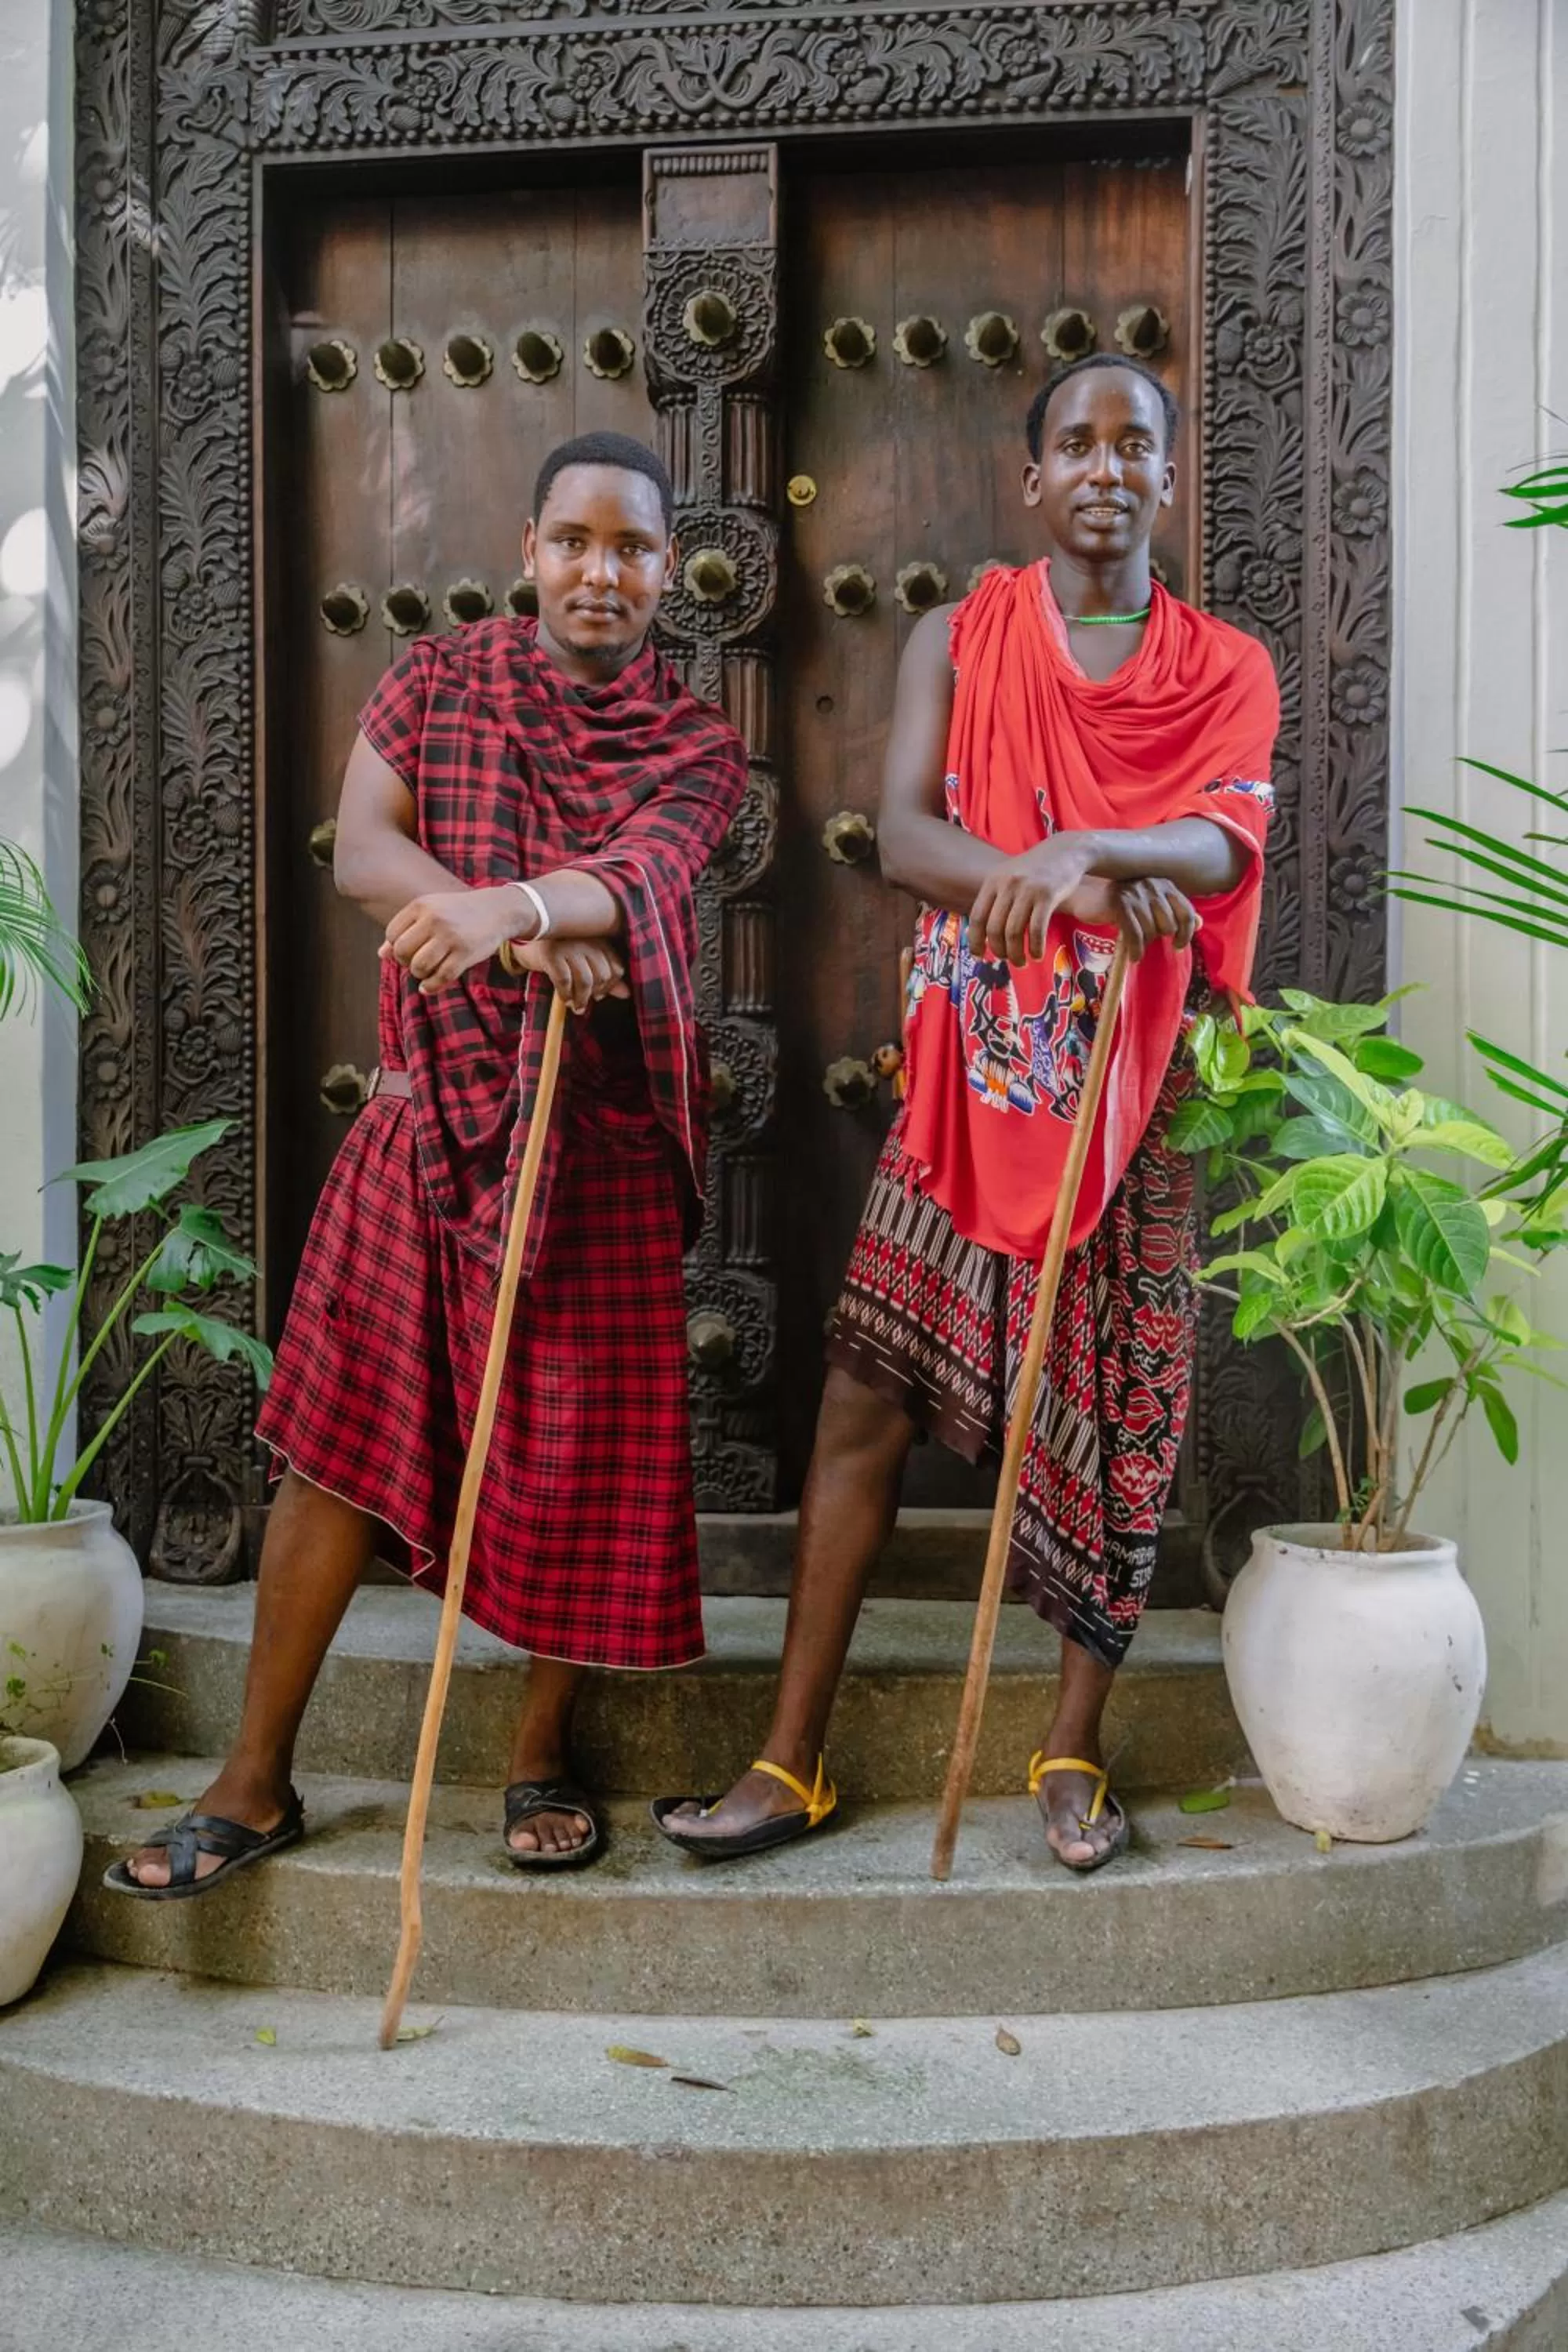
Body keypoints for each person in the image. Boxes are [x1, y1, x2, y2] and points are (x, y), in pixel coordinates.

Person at [655, 356, 1279, 1872]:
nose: (1106, 468)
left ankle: (1069, 1754)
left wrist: (1090, 845)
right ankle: (790, 1756)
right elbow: (909, 824)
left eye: (1137, 444)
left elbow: (1223, 839)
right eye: (1077, 443)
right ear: (1033, 479)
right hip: (976, 1073)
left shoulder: (1224, 666)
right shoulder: (961, 632)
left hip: (1131, 1088)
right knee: (866, 1396)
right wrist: (1044, 878)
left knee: (1115, 1417)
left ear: (1170, 480)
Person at [109, 431, 746, 1895]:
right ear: (527, 552)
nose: (603, 571)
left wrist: (511, 907)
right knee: (335, 1443)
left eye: (633, 549)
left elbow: (640, 877)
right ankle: (254, 1778)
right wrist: (527, 926)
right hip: (423, 1121)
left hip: (600, 1153)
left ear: (666, 574)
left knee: (582, 1455)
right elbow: (365, 850)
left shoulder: (700, 749)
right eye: (575, 542)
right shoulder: (435, 681)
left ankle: (539, 1757)